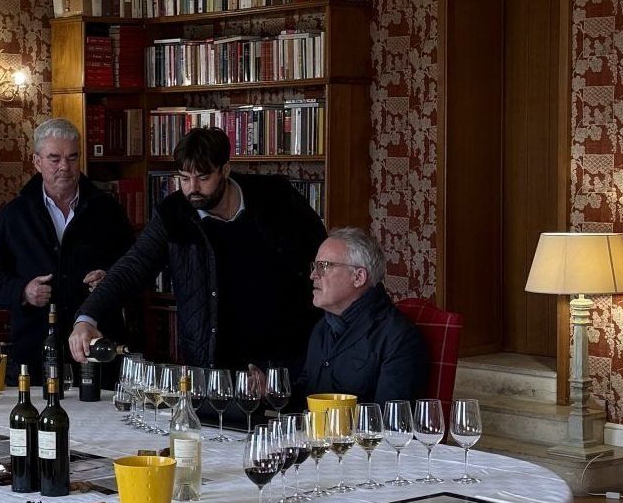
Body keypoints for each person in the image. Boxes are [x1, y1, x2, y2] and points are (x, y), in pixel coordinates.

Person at [69, 126, 324, 373]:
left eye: (203, 178)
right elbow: (133, 267)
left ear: (225, 170)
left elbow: (321, 252)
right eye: (184, 178)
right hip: (214, 364)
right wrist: (87, 318)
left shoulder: (275, 196)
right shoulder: (173, 213)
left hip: (287, 358)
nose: (192, 188)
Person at [0, 117, 136, 373]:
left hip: (96, 349)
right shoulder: (14, 214)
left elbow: (134, 266)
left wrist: (109, 277)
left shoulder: (107, 210)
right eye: (54, 159)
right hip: (34, 351)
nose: (65, 167)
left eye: (72, 158)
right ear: (37, 162)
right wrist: (23, 291)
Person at [302, 228, 427, 403]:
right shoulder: (323, 327)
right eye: (315, 266)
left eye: (324, 266)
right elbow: (306, 393)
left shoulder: (398, 337)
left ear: (358, 277)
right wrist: (270, 389)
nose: (313, 275)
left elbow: (391, 417)